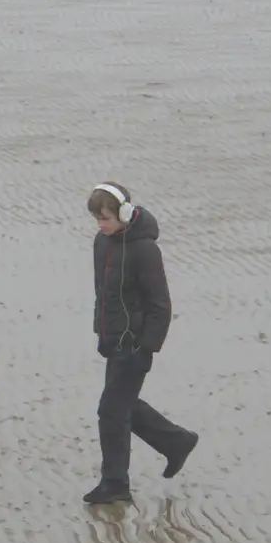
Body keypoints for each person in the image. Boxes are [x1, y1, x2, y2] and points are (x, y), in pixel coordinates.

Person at [84, 183, 200, 505]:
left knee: (110, 411)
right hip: (112, 341)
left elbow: (160, 304)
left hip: (135, 345)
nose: (100, 225)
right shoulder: (101, 243)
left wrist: (146, 346)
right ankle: (176, 442)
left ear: (123, 213)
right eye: (96, 219)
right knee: (122, 405)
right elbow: (103, 294)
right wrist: (102, 333)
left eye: (105, 218)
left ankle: (115, 483)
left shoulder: (145, 250)